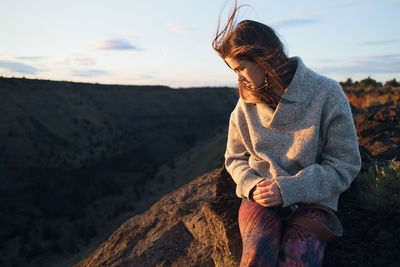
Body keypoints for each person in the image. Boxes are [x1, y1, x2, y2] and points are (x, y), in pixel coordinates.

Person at [212, 2, 361, 266]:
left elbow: (345, 164)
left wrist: (291, 188)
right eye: (233, 71)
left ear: (264, 57)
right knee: (257, 254)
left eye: (241, 68)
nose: (239, 79)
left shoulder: (326, 93)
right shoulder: (244, 105)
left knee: (297, 256)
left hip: (315, 200)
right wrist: (252, 185)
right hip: (261, 197)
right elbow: (234, 158)